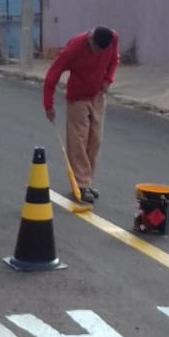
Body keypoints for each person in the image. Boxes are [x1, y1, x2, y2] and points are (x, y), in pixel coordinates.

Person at [43, 26, 119, 204]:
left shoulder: (112, 39)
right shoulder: (74, 47)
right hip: (78, 98)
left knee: (95, 140)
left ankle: (87, 180)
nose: (98, 53)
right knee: (79, 140)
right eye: (96, 49)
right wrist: (48, 105)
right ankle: (81, 184)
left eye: (103, 50)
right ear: (90, 39)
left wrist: (108, 79)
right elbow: (52, 75)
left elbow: (114, 60)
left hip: (98, 95)